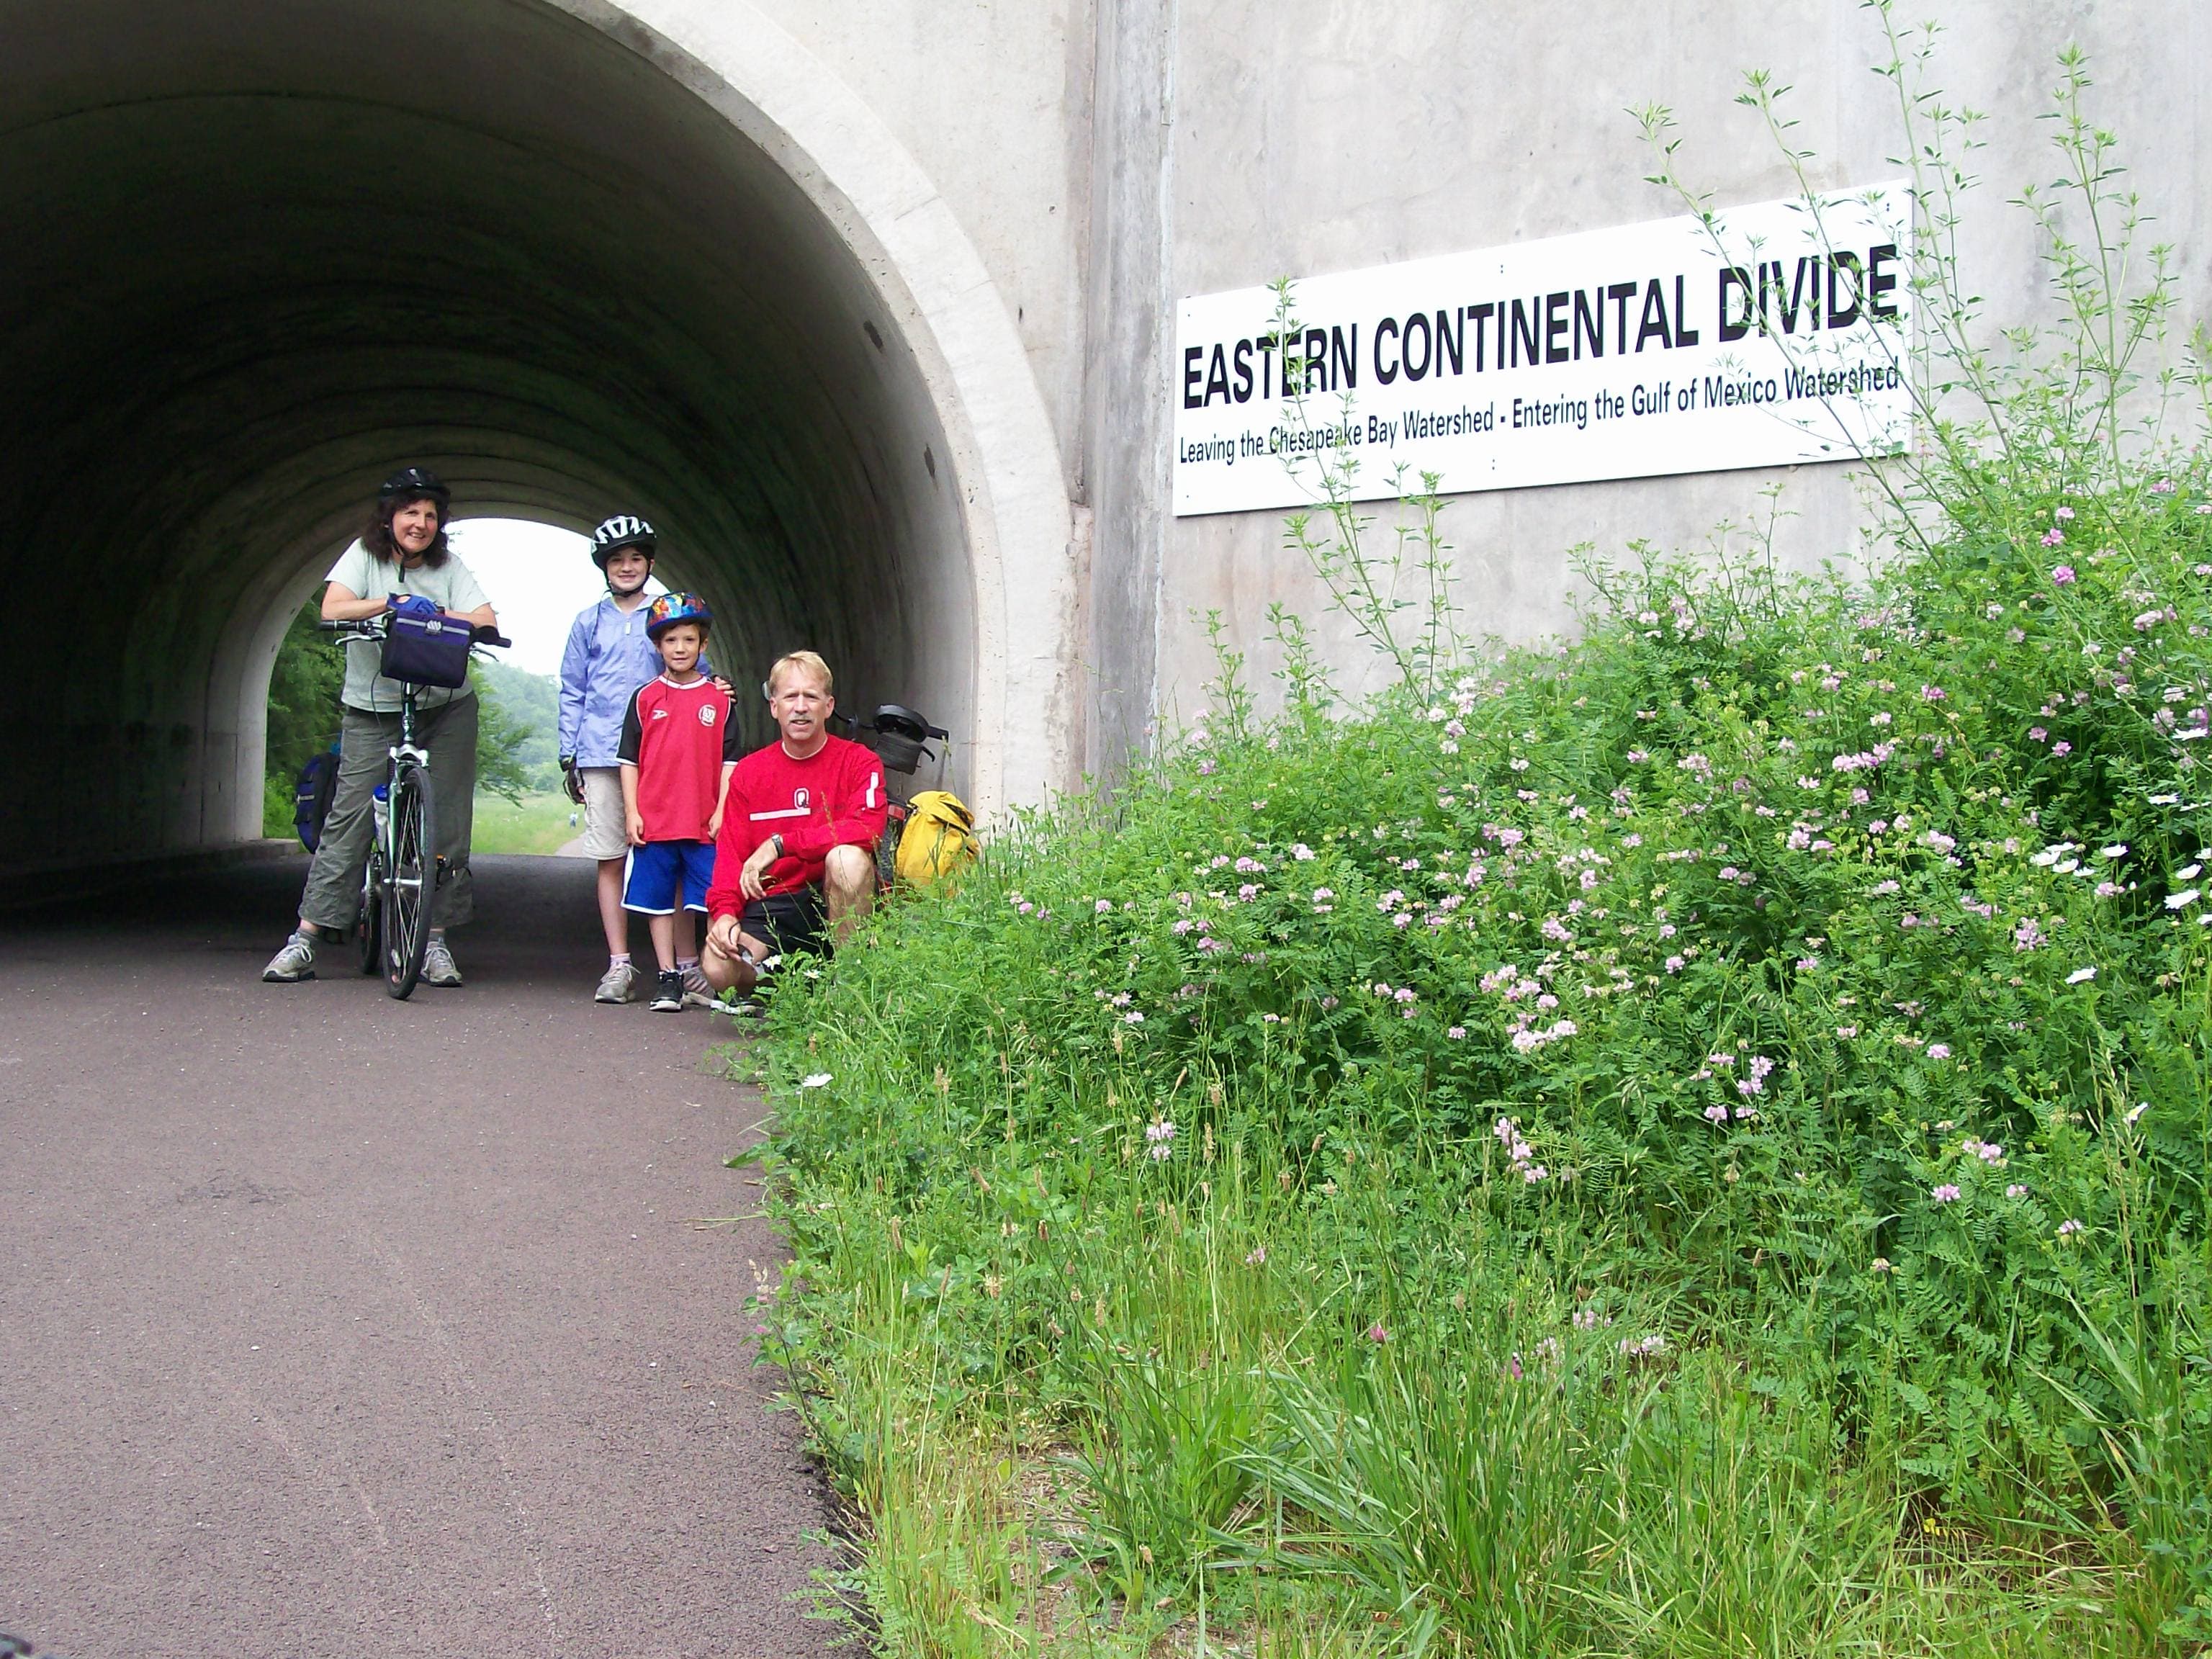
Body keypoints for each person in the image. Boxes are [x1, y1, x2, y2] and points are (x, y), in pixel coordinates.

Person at [262, 467, 497, 986]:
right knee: (349, 821)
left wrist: (436, 612)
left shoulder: (450, 567)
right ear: (389, 517)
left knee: (449, 824)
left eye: (431, 515)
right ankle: (305, 938)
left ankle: (434, 941)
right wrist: (389, 605)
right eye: (411, 512)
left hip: (446, 705)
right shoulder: (363, 556)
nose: (421, 523)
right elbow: (333, 606)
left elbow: (486, 620)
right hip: (373, 707)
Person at [700, 651, 886, 998]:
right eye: (790, 697)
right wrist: (725, 914)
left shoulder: (860, 761)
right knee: (718, 968)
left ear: (828, 706)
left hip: (829, 895)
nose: (800, 706)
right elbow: (729, 858)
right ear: (774, 706)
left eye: (811, 696)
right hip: (772, 905)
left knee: (847, 859)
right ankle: (787, 983)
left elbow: (868, 829)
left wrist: (781, 844)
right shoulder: (749, 773)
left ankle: (851, 988)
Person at [557, 515, 667, 1004]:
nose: (626, 567)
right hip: (601, 751)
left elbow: (693, 671)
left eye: (635, 559)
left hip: (659, 753)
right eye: (617, 560)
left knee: (666, 854)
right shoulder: (588, 622)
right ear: (605, 567)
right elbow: (573, 690)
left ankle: (678, 965)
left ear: (649, 564)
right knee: (609, 856)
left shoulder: (665, 615)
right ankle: (619, 963)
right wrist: (569, 755)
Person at [617, 593, 741, 1012]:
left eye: (689, 640)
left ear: (703, 645)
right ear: (658, 646)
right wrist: (633, 811)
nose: (680, 648)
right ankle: (668, 976)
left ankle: (708, 973)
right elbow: (629, 761)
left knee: (704, 899)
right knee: (657, 902)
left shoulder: (721, 700)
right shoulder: (644, 698)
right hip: (656, 820)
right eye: (671, 641)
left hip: (703, 821)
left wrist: (723, 809)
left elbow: (730, 761)